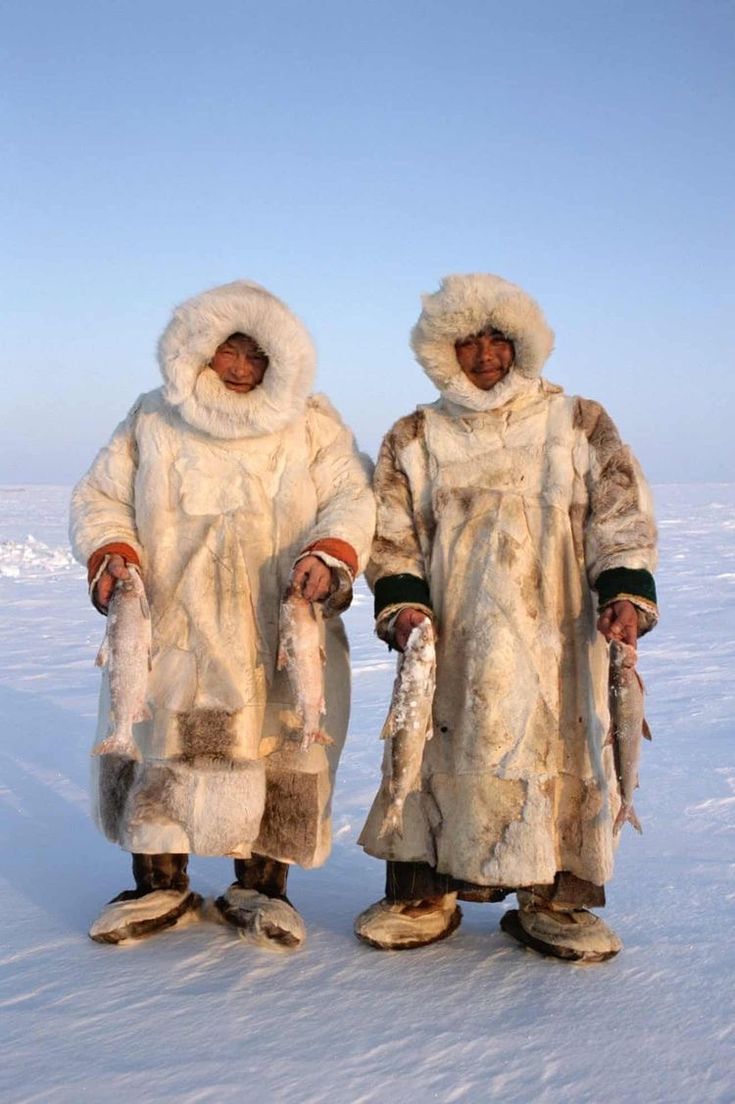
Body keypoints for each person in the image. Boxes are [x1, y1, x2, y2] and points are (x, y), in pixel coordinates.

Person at [354, 273, 658, 962]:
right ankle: (420, 893)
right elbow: (391, 534)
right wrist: (403, 605)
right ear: (443, 350)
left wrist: (622, 589)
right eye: (468, 341)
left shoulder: (577, 421)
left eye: (498, 339)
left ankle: (556, 901)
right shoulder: (415, 435)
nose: (485, 354)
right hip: (452, 632)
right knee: (433, 747)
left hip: (556, 632)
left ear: (523, 343)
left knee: (563, 748)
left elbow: (620, 512)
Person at [70, 280, 375, 947]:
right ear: (199, 351)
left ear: (279, 360)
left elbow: (352, 498)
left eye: (255, 355)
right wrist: (113, 552)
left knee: (279, 744)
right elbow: (101, 497)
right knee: (160, 742)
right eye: (227, 352)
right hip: (172, 625)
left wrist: (329, 553)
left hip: (277, 625)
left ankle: (262, 889)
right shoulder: (154, 417)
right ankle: (160, 885)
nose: (239, 368)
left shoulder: (311, 423)